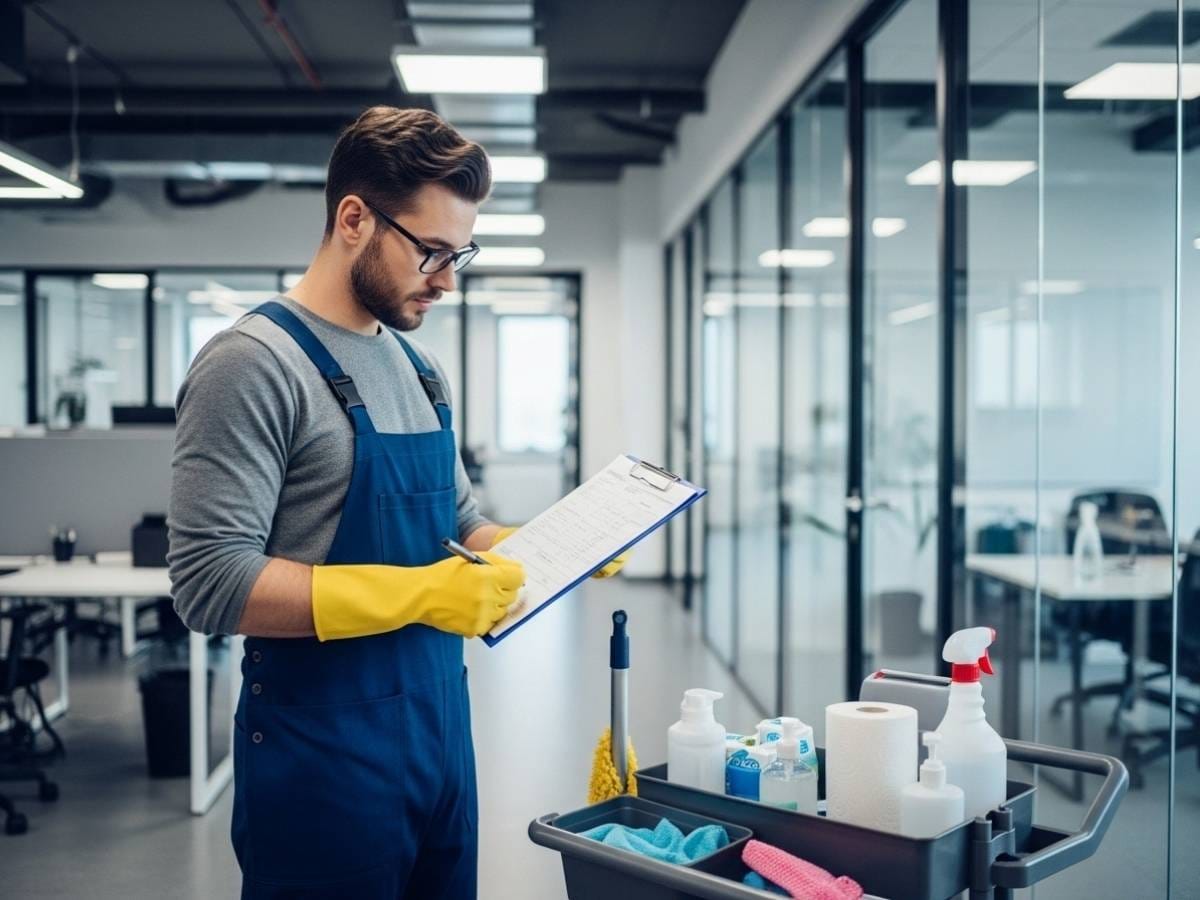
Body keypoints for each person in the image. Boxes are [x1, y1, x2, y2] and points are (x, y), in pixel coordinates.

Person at [168, 106, 624, 899]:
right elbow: (211, 583)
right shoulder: (251, 365)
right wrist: (421, 593)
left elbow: (458, 525)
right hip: (323, 762)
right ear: (354, 219)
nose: (448, 280)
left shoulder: (419, 371)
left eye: (461, 253)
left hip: (440, 740)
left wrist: (557, 543)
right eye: (432, 252)